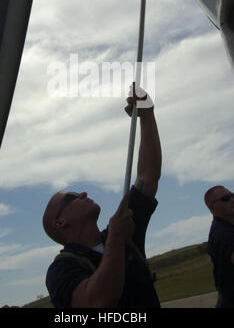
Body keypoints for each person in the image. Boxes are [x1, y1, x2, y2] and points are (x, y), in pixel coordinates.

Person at [42, 84, 161, 308]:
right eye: (72, 197)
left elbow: (148, 175)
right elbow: (96, 303)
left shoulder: (123, 229)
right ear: (60, 222)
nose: (84, 193)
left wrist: (147, 115)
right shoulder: (61, 270)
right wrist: (117, 239)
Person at [204, 185, 234, 308]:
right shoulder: (222, 232)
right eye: (225, 198)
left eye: (232, 196)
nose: (232, 200)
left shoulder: (228, 228)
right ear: (212, 207)